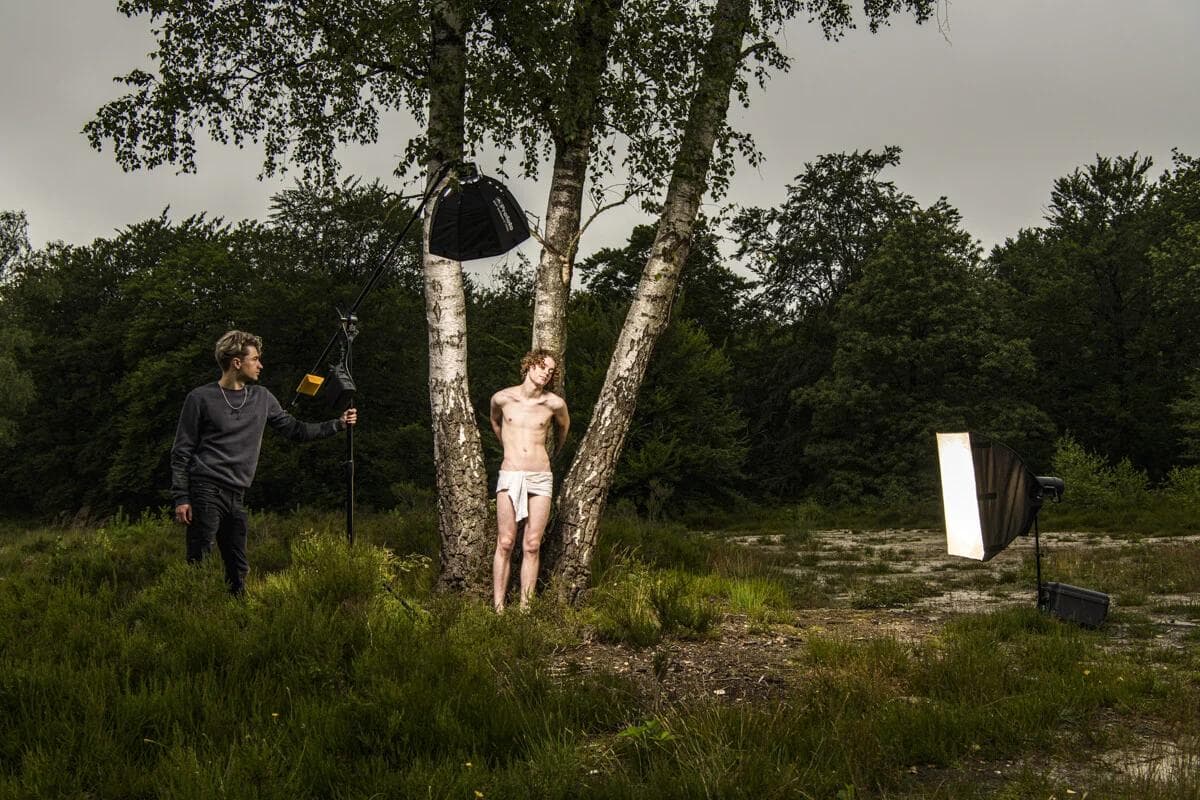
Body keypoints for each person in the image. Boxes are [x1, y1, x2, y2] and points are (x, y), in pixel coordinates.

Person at [170, 330, 357, 595]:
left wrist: (337, 424)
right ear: (237, 362)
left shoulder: (262, 397)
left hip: (237, 494)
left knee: (238, 568)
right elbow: (181, 451)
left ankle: (237, 614)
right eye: (255, 359)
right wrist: (181, 497)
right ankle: (190, 610)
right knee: (199, 559)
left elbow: (296, 430)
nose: (260, 365)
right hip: (205, 489)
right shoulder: (199, 398)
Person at [490, 348, 570, 612]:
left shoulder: (554, 404)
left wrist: (550, 455)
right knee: (505, 542)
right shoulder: (502, 398)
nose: (546, 373)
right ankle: (498, 609)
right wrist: (510, 450)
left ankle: (526, 610)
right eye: (542, 366)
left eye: (551, 371)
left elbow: (563, 429)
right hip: (510, 474)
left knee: (532, 545)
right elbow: (496, 424)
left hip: (540, 477)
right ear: (529, 365)